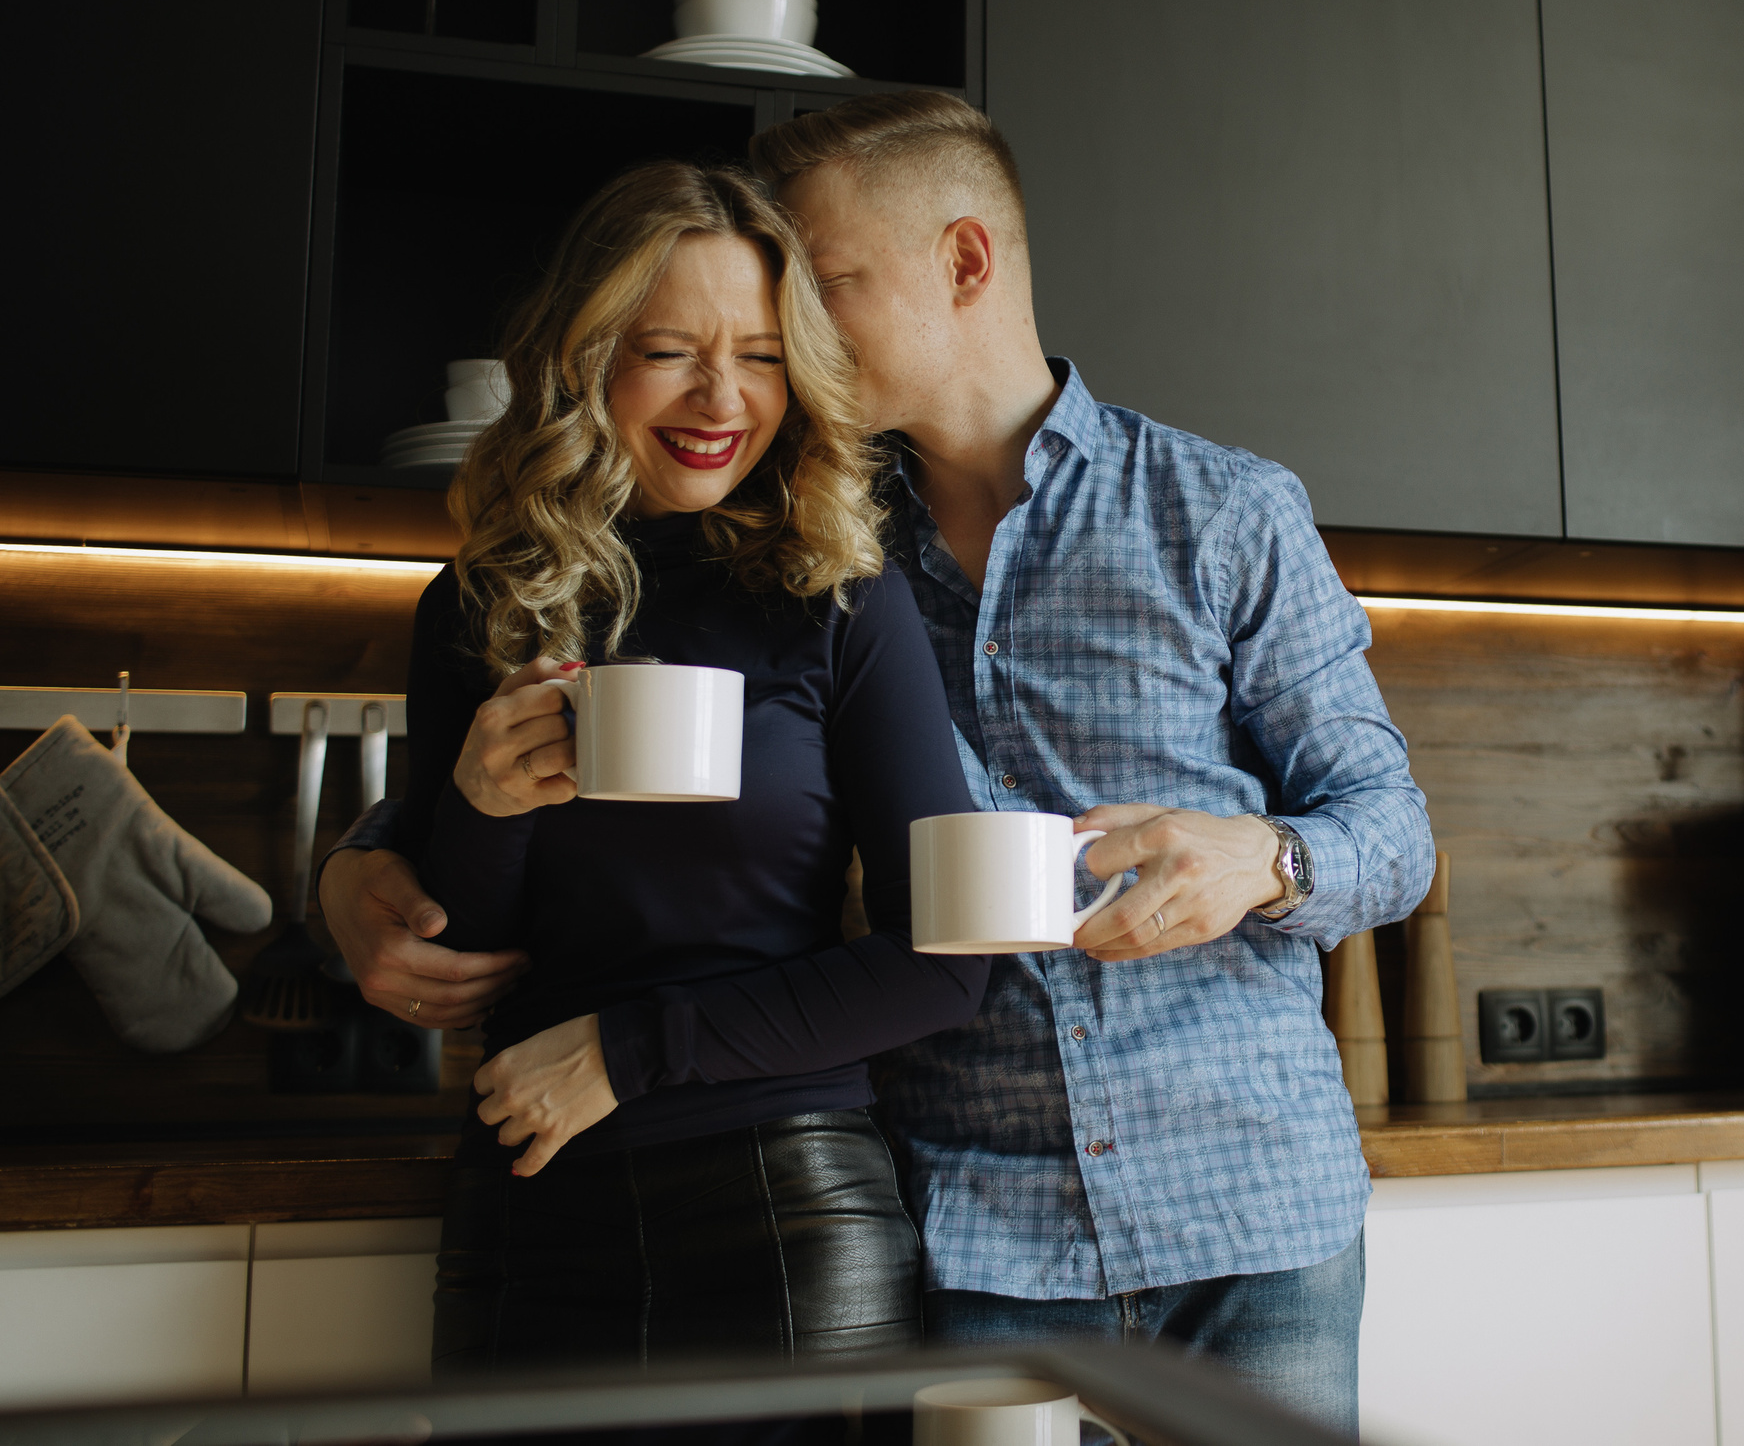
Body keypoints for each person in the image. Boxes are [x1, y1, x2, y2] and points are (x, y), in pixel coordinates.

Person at [320, 95, 1433, 1432]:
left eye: (821, 287)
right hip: (973, 1224)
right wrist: (361, 862)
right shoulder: (808, 531)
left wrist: (1270, 855)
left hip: (1246, 1201)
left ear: (962, 262)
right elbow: (553, 740)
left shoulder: (1218, 509)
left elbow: (1393, 825)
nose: (782, 342)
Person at [390, 159, 986, 1371]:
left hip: (783, 1212)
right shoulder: (478, 604)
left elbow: (952, 960)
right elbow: (451, 962)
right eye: (669, 349)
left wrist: (629, 1051)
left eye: (763, 355)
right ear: (585, 354)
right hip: (531, 1192)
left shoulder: (837, 598)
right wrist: (483, 804)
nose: (724, 396)